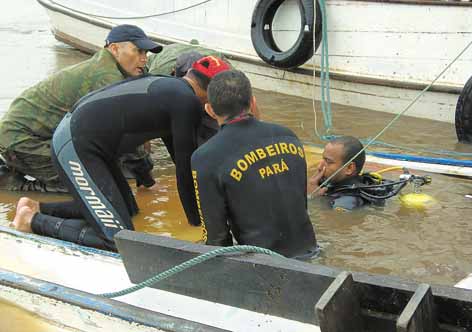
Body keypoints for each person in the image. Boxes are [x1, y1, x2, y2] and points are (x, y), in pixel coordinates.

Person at [11, 56, 231, 251]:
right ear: (212, 89)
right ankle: (32, 221)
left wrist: (148, 180)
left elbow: (178, 157)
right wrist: (198, 225)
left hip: (87, 144)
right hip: (75, 146)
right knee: (119, 239)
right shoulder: (186, 102)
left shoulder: (173, 89)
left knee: (129, 209)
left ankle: (37, 207)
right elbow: (184, 170)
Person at [0, 24, 163, 192]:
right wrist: (147, 180)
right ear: (114, 49)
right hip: (22, 141)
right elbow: (127, 135)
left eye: (146, 53)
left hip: (32, 136)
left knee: (111, 168)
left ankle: (19, 165)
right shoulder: (107, 79)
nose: (144, 58)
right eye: (138, 51)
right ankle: (14, 184)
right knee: (92, 188)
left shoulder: (109, 67)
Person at [191, 70, 317, 259]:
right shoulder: (288, 136)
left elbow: (216, 237)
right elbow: (299, 201)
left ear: (209, 110)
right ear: (252, 102)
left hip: (264, 264)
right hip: (311, 251)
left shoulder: (205, 157)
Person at [307, 136, 404, 211]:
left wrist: (312, 197)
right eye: (323, 159)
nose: (320, 167)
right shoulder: (332, 184)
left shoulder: (348, 202)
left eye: (328, 162)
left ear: (349, 168)